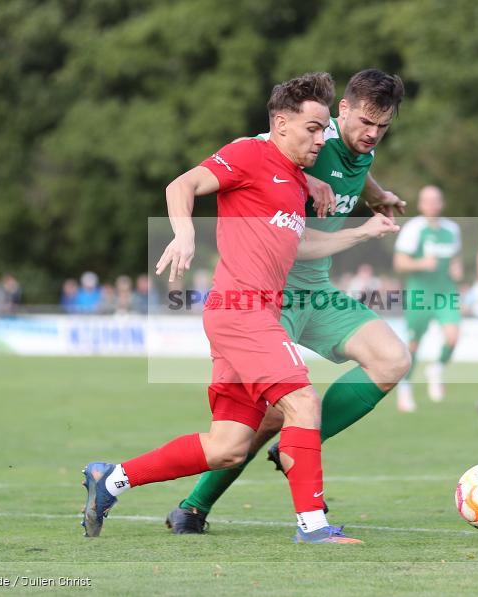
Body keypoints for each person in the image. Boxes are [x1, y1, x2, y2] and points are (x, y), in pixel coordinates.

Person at [82, 72, 397, 544]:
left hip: (252, 313)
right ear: (282, 123)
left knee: (228, 447)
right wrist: (185, 233)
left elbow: (301, 244)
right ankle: (313, 526)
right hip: (243, 310)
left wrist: (362, 223)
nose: (321, 138)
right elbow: (181, 185)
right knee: (302, 402)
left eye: (321, 130)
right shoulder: (252, 153)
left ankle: (111, 479)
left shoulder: (295, 182)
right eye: (313, 129)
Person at [166, 68, 409, 535]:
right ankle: (193, 507)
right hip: (270, 295)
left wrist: (379, 196)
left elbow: (358, 171)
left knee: (392, 359)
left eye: (383, 126)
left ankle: (301, 444)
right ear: (342, 111)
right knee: (263, 420)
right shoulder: (306, 139)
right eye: (364, 122)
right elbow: (264, 149)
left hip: (317, 292)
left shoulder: (362, 145)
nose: (372, 133)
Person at [393, 185, 463, 411]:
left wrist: (456, 268)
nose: (432, 204)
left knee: (453, 337)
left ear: (441, 203)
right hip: (420, 294)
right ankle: (405, 386)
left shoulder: (452, 229)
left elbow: (454, 258)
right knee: (413, 345)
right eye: (427, 200)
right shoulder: (414, 229)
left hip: (445, 293)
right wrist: (422, 263)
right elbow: (400, 263)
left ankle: (437, 368)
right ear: (421, 204)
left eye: (436, 200)